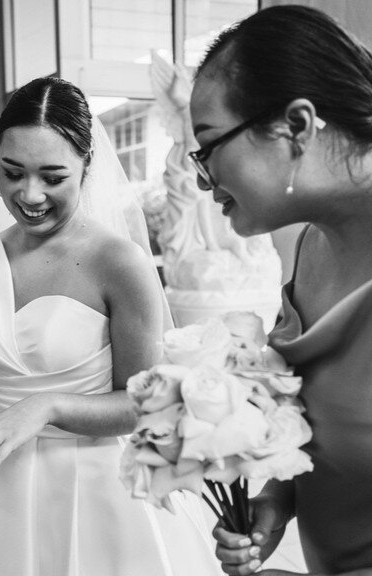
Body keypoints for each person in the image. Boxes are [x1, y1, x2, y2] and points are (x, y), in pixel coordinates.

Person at [0, 76, 221, 576]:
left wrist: (48, 407)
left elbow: (145, 403)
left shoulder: (119, 261)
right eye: (12, 171)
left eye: (53, 176)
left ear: (87, 166)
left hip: (94, 481)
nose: (29, 194)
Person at [188, 6, 372, 575]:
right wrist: (276, 501)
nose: (200, 177)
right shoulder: (312, 244)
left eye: (209, 145)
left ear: (295, 126)